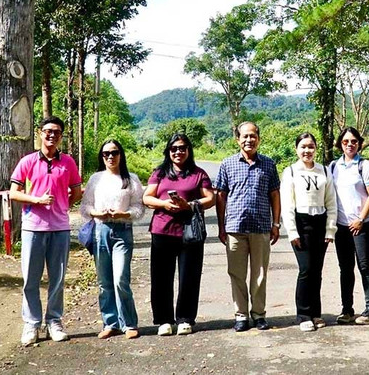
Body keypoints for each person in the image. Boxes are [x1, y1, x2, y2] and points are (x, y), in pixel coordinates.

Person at [9, 116, 82, 346]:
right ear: (40, 133)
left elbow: (77, 191)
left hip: (59, 228)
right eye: (48, 131)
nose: (52, 135)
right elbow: (14, 193)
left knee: (57, 279)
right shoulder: (28, 161)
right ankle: (31, 324)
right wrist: (37, 200)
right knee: (31, 278)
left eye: (57, 132)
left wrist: (63, 205)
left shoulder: (68, 162)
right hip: (33, 228)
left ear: (61, 137)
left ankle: (54, 321)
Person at [142, 133, 215, 336]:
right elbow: (147, 197)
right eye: (174, 148)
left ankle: (185, 318)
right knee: (161, 277)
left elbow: (210, 198)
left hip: (189, 231)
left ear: (189, 151)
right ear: (168, 151)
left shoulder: (198, 173)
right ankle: (164, 320)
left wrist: (191, 204)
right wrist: (165, 203)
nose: (178, 152)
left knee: (189, 276)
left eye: (182, 148)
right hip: (162, 230)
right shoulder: (160, 172)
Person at [215, 121, 281, 332]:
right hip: (235, 228)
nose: (248, 140)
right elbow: (221, 197)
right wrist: (221, 226)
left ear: (258, 139)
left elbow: (274, 195)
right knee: (236, 273)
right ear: (237, 139)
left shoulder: (269, 164)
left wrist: (276, 223)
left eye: (252, 136)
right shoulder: (227, 164)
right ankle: (241, 315)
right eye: (244, 136)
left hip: (261, 227)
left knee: (260, 274)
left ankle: (259, 314)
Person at [79, 140, 144, 340]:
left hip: (123, 232)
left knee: (120, 280)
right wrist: (97, 213)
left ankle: (129, 323)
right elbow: (85, 207)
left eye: (114, 152)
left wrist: (124, 214)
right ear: (102, 156)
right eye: (106, 153)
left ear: (121, 154)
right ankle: (110, 322)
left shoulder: (131, 179)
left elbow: (140, 209)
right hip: (100, 231)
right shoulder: (96, 179)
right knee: (104, 281)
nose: (110, 157)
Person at [280, 132, 337, 332]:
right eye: (303, 146)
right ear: (297, 149)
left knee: (317, 271)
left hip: (320, 223)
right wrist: (292, 232)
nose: (307, 150)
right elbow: (287, 204)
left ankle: (316, 313)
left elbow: (331, 202)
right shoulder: (291, 172)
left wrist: (330, 230)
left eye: (311, 146)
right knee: (306, 269)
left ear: (316, 148)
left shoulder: (324, 171)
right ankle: (303, 314)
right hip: (301, 223)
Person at [330, 127, 369, 326]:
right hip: (342, 226)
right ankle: (347, 310)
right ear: (340, 144)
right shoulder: (334, 166)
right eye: (346, 141)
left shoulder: (365, 165)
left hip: (363, 224)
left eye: (354, 141)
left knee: (365, 266)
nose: (350, 145)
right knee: (345, 269)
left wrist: (360, 218)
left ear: (359, 143)